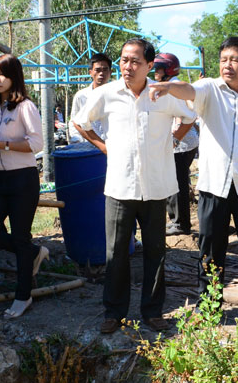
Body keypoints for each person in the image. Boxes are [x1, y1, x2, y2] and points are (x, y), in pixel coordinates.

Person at [150, 36, 238, 330]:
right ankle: (208, 306)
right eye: (223, 60)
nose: (227, 65)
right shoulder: (209, 89)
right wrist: (170, 86)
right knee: (210, 250)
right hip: (213, 186)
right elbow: (189, 90)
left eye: (234, 60)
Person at [73, 38, 196, 334]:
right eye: (124, 60)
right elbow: (80, 121)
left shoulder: (162, 94)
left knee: (156, 251)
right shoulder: (108, 93)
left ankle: (153, 312)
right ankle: (114, 313)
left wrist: (174, 139)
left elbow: (189, 116)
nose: (127, 66)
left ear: (150, 66)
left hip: (155, 186)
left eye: (135, 61)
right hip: (119, 186)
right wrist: (103, 146)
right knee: (116, 253)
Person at [0, 55, 48, 319]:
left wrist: (3, 146)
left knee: (20, 236)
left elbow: (37, 144)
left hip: (22, 179)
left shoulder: (25, 106)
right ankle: (35, 252)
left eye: (2, 74)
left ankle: (23, 296)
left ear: (14, 76)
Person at [152, 52, 198, 236]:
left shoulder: (175, 87)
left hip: (181, 144)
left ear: (168, 69)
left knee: (176, 183)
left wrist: (175, 137)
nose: (155, 71)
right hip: (182, 143)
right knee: (173, 182)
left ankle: (181, 224)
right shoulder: (170, 85)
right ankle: (176, 221)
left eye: (158, 68)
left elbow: (184, 112)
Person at [70, 53, 111, 144]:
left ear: (110, 72)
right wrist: (78, 141)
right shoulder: (81, 96)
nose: (101, 73)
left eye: (105, 70)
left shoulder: (117, 95)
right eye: (97, 70)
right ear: (90, 72)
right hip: (88, 148)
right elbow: (74, 122)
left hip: (112, 147)